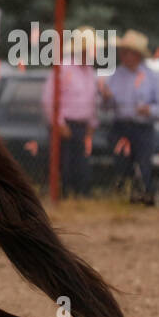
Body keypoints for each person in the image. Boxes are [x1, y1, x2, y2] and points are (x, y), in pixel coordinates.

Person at [102, 29, 159, 205]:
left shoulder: (152, 78)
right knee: (121, 164)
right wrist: (107, 98)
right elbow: (107, 106)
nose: (123, 55)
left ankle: (146, 198)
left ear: (137, 55)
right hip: (120, 127)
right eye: (122, 52)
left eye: (127, 52)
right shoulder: (116, 76)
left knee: (143, 165)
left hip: (142, 129)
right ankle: (125, 198)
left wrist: (149, 110)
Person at [40, 26, 100, 198]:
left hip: (82, 126)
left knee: (81, 164)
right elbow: (49, 98)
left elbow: (92, 100)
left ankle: (80, 195)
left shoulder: (89, 71)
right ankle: (64, 196)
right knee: (64, 164)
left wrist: (92, 123)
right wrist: (59, 123)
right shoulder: (63, 68)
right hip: (65, 125)